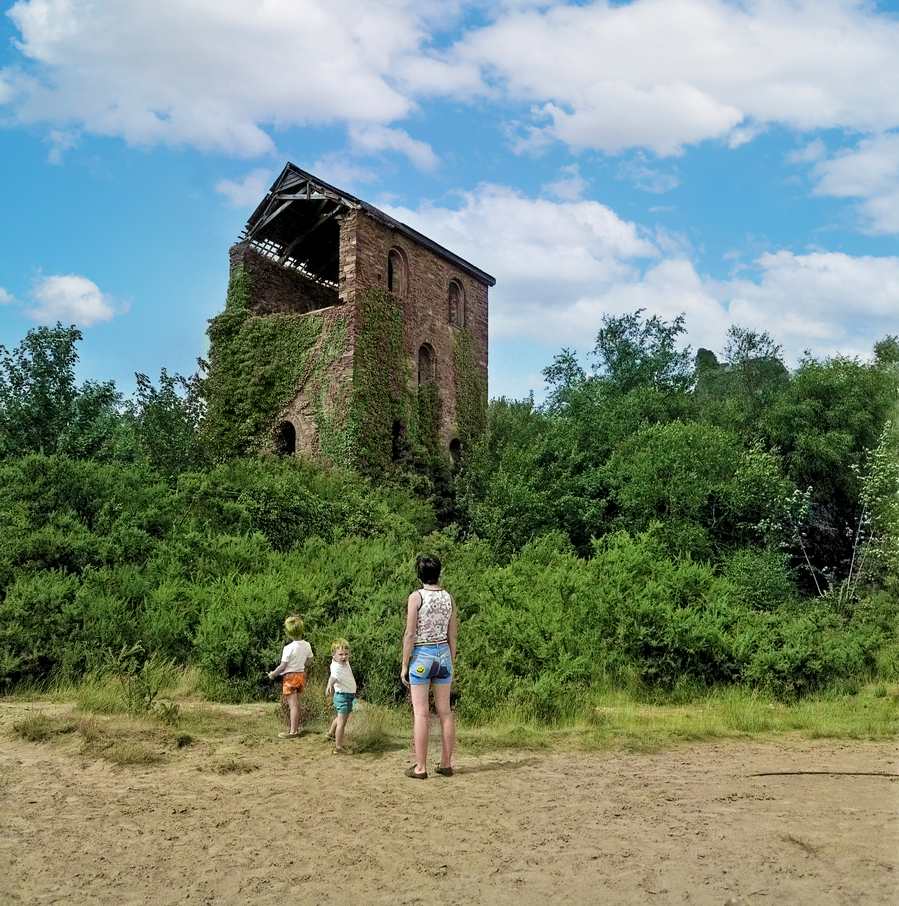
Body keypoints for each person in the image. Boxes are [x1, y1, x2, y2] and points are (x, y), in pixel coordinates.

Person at [401, 555, 457, 779]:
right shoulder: (448, 598)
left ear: (419, 574)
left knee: (421, 713)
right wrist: (450, 658)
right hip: (443, 654)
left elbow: (410, 634)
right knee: (445, 712)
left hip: (422, 656)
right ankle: (445, 763)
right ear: (439, 573)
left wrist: (405, 664)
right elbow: (452, 632)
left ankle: (421, 767)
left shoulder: (416, 597)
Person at [268, 614, 313, 739]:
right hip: (301, 676)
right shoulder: (307, 645)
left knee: (293, 705)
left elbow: (282, 666)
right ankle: (295, 728)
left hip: (290, 678)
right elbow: (310, 661)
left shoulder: (288, 648)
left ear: (288, 633)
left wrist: (273, 674)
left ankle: (293, 731)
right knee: (296, 704)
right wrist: (301, 664)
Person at [326, 638, 357, 753]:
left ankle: (330, 733)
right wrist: (329, 685)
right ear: (333, 655)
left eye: (346, 654)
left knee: (340, 718)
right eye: (340, 654)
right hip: (342, 697)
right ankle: (338, 747)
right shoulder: (336, 667)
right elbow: (333, 677)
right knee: (342, 723)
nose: (344, 657)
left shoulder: (344, 662)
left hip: (348, 696)